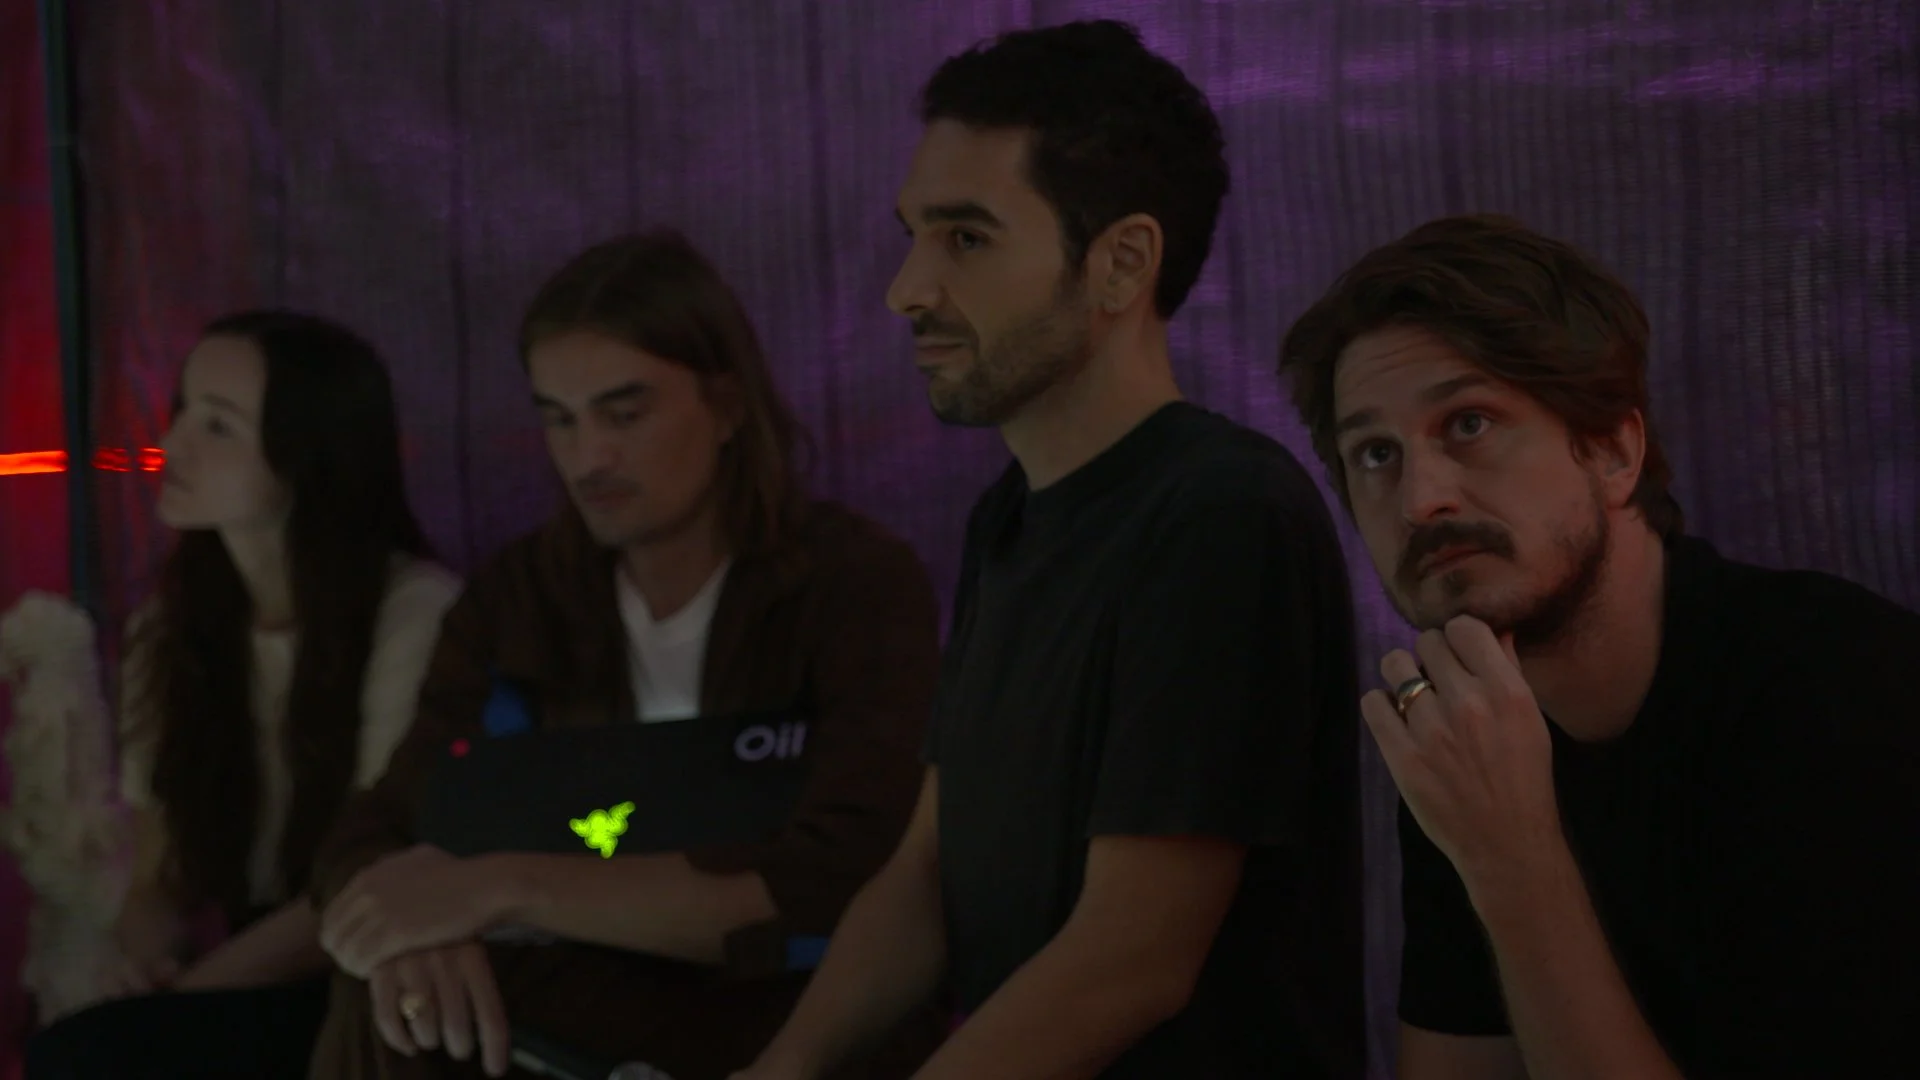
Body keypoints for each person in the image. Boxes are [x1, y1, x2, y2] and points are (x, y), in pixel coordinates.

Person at [736, 20, 1365, 1080]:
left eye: (966, 239)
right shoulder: (1009, 519)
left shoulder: (1221, 514)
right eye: (914, 234)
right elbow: (926, 873)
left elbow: (1131, 958)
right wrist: (779, 1071)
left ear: (1121, 263)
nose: (906, 290)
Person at [1278, 213, 1920, 1079]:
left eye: (1469, 423)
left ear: (1614, 450)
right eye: (1375, 453)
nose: (1420, 498)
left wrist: (1513, 858)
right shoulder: (1467, 723)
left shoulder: (1838, 686)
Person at [303, 230, 946, 1080]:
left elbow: (855, 871)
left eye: (624, 413)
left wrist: (509, 885)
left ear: (726, 406)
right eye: (559, 419)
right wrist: (409, 937)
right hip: (574, 988)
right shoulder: (518, 600)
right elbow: (379, 826)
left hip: (787, 1001)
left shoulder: (852, 584)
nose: (589, 457)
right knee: (397, 998)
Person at [26, 311, 461, 1079]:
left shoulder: (415, 614)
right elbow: (160, 864)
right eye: (182, 411)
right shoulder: (170, 626)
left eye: (219, 426)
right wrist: (139, 958)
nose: (174, 444)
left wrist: (183, 1000)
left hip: (374, 971)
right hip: (239, 960)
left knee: (90, 1056)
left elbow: (373, 873)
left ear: (305, 458)